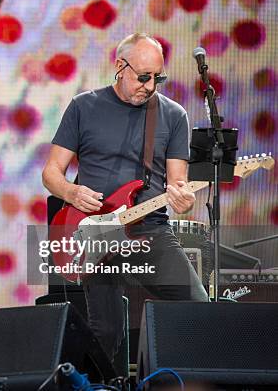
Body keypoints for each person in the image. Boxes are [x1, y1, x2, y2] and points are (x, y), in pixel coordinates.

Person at [42, 33, 207, 362]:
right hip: (94, 234)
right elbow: (50, 174)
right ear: (120, 67)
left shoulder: (173, 116)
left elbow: (178, 182)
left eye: (157, 78)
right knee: (106, 331)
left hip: (149, 231)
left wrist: (183, 199)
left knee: (199, 309)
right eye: (143, 77)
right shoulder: (83, 107)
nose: (150, 86)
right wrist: (72, 192)